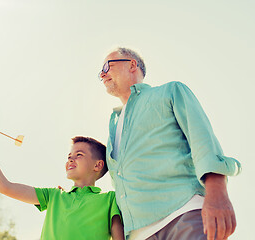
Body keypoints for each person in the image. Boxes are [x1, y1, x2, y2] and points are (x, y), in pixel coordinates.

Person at [98, 47, 241, 240]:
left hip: (183, 215)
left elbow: (202, 139)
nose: (102, 73)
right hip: (138, 234)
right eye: (101, 70)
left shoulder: (170, 92)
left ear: (132, 65)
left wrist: (217, 192)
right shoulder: (113, 126)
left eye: (108, 65)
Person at [0, 125, 124, 240]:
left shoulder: (109, 199)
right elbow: (4, 186)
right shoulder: (53, 196)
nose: (71, 159)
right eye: (69, 156)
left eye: (79, 155)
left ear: (97, 165)